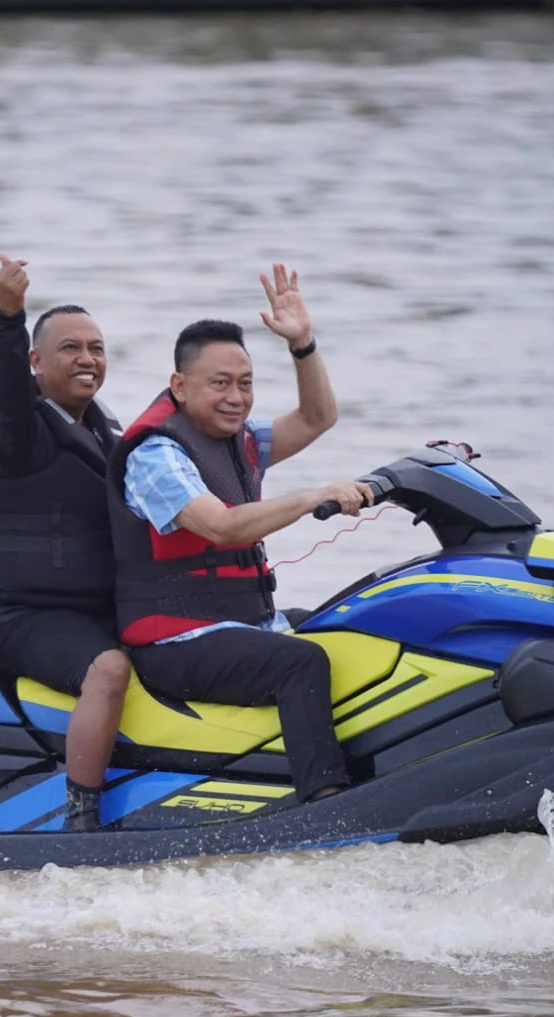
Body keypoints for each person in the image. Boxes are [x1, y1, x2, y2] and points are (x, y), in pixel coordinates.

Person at [107, 263, 374, 803]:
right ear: (179, 386)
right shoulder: (156, 454)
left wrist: (302, 344)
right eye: (220, 384)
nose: (236, 397)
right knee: (301, 661)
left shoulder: (241, 439)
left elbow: (319, 417)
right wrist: (309, 497)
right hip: (173, 642)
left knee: (352, 622)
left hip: (237, 622)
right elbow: (220, 527)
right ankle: (325, 801)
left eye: (246, 384)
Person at [0, 254, 133, 831]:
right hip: (14, 612)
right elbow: (7, 391)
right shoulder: (14, 428)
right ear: (35, 362)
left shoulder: (107, 429)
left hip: (92, 607)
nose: (88, 358)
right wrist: (9, 316)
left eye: (97, 348)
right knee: (107, 671)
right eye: (71, 348)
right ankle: (80, 813)